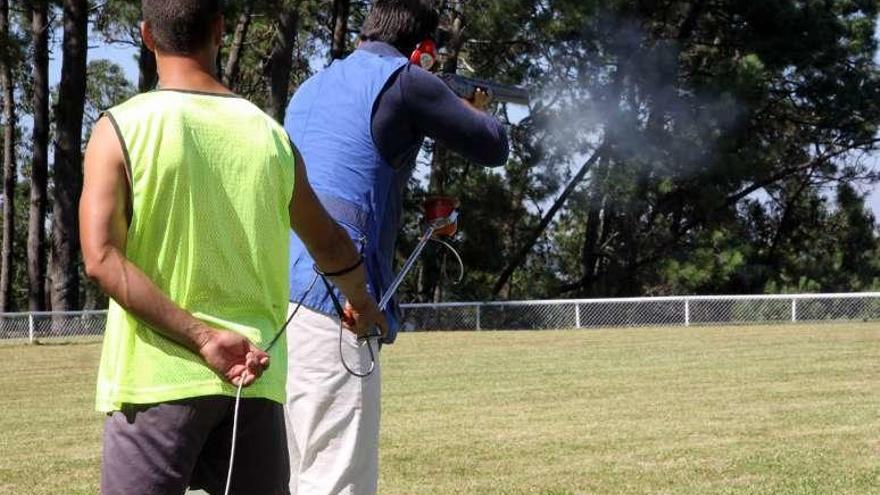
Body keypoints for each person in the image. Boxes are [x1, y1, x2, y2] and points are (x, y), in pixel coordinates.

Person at [79, 1, 385, 494]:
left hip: (157, 384)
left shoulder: (120, 127)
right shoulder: (270, 137)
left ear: (146, 36)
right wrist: (361, 303)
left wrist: (202, 338)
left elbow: (100, 258)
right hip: (254, 385)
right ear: (220, 32)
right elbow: (329, 243)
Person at [283, 0, 510, 493]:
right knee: (336, 482)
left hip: (274, 304)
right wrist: (472, 108)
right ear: (423, 49)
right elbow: (494, 144)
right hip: (341, 305)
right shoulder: (407, 80)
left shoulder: (309, 88)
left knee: (293, 476)